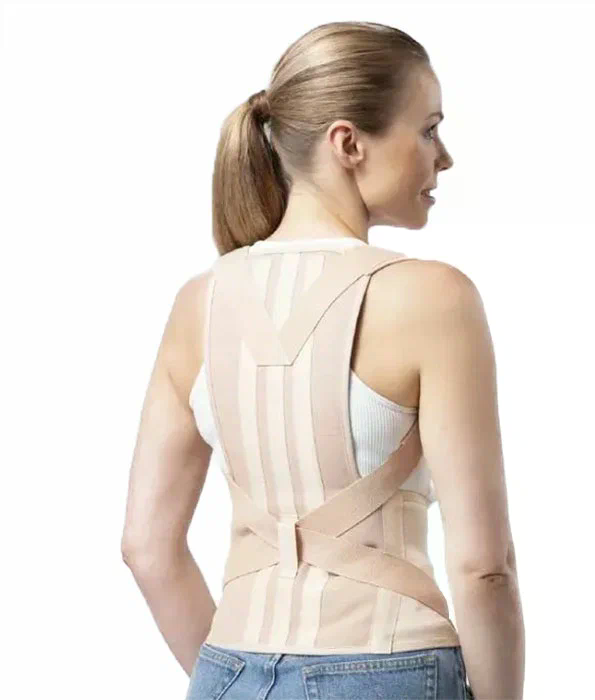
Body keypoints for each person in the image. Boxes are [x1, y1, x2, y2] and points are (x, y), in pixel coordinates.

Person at [121, 20, 525, 700]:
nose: (445, 157)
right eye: (429, 130)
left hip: (230, 669)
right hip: (390, 667)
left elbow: (146, 547)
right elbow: (486, 566)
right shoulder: (433, 297)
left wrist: (237, 679)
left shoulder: (199, 303)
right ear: (349, 143)